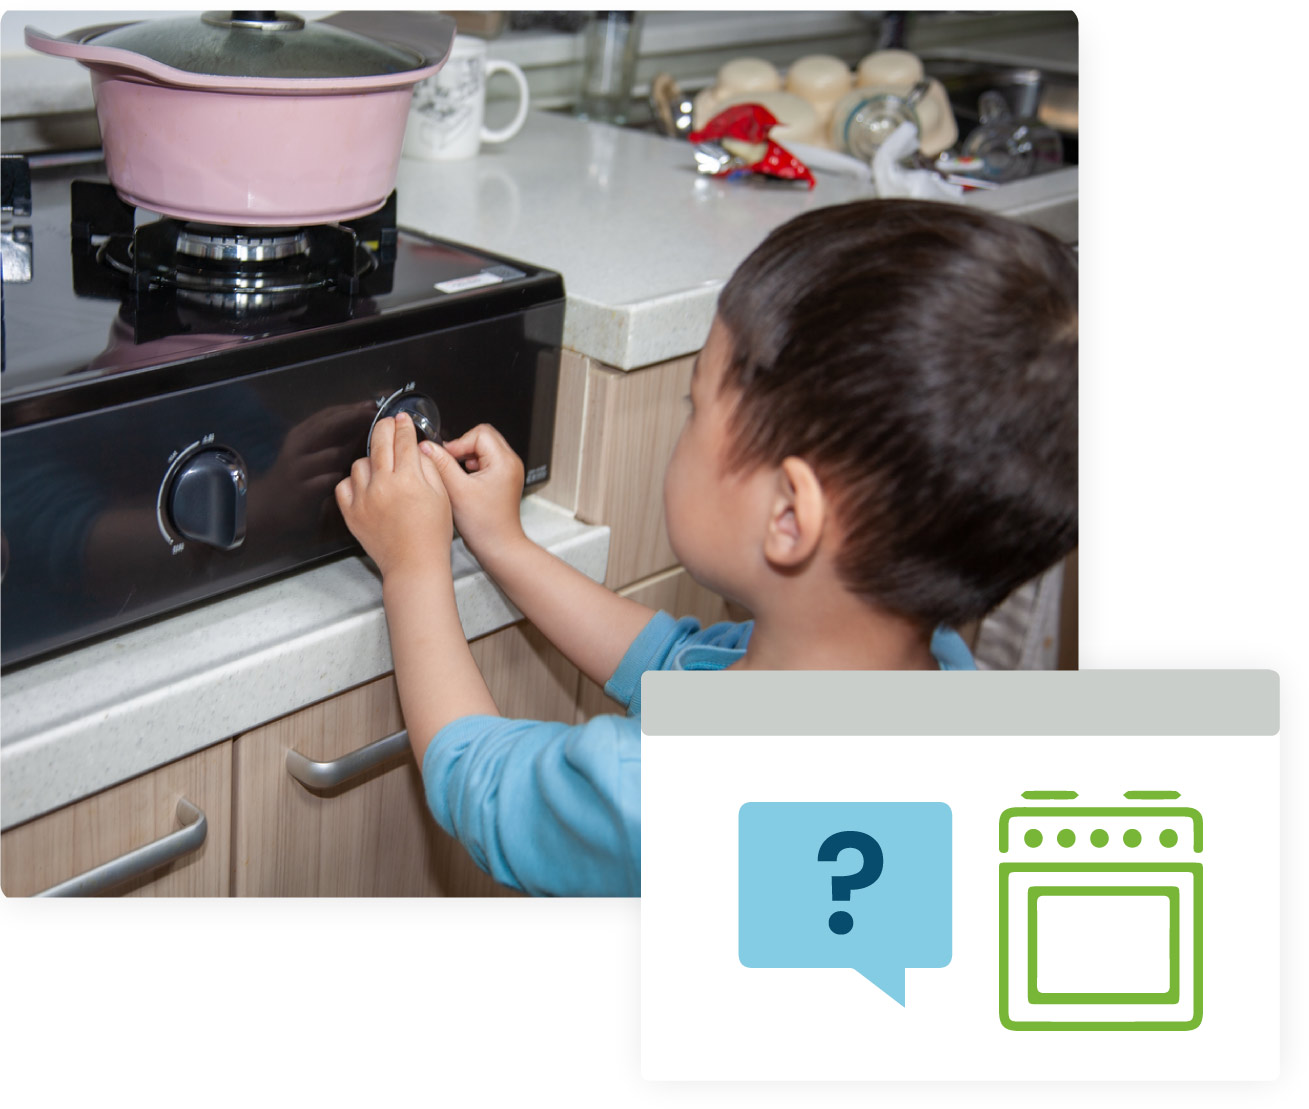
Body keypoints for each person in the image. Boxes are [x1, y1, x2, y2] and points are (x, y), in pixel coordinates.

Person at [335, 199, 1078, 897]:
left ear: (789, 514)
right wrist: (503, 542)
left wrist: (413, 565)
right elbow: (679, 665)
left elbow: (478, 779)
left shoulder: (669, 794)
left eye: (696, 405)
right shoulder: (939, 666)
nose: (682, 425)